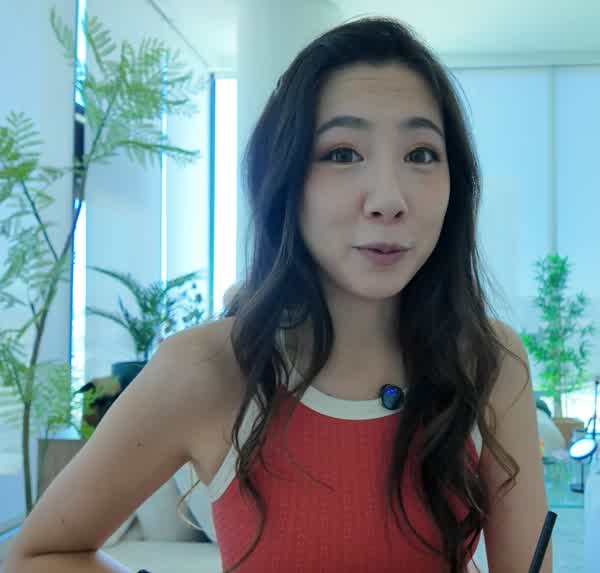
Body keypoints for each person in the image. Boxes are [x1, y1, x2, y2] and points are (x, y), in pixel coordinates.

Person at [5, 16, 551, 573]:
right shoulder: (209, 368)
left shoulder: (490, 360)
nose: (389, 199)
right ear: (284, 179)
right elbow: (38, 555)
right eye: (343, 153)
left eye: (421, 154)